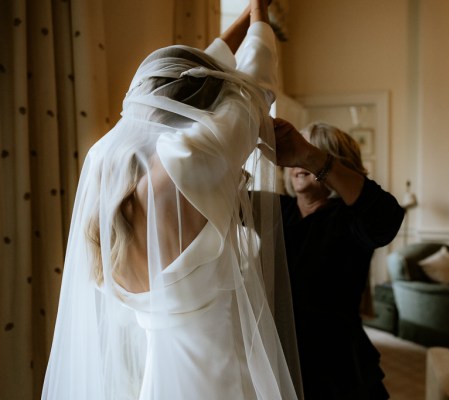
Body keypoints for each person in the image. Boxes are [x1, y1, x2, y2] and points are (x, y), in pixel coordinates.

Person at [41, 1, 303, 399]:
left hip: (159, 383)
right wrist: (260, 15)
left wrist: (247, 13)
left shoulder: (105, 176)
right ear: (205, 107)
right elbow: (255, 82)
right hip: (221, 380)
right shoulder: (192, 159)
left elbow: (199, 76)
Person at [267, 119, 404, 399]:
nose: (296, 161)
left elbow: (387, 219)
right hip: (278, 354)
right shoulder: (278, 210)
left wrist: (308, 156)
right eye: (292, 153)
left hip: (335, 365)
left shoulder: (352, 220)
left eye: (307, 152)